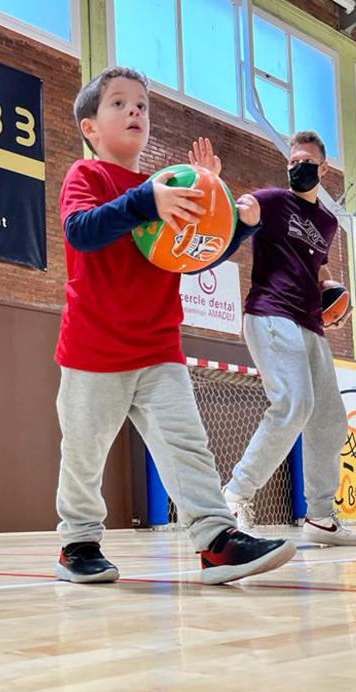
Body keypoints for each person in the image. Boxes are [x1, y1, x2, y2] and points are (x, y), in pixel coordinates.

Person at [54, 66, 295, 585]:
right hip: (93, 347)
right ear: (90, 128)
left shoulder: (162, 189)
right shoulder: (87, 176)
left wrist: (233, 225)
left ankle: (215, 540)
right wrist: (148, 200)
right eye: (119, 103)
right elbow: (81, 233)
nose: (135, 111)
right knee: (84, 452)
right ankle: (78, 541)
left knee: (188, 446)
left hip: (159, 345)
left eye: (141, 104)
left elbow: (194, 256)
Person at [222, 131, 356, 547]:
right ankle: (234, 496)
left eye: (305, 161)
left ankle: (321, 517)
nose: (297, 168)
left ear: (323, 168)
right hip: (270, 312)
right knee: (294, 404)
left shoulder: (328, 221)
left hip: (311, 323)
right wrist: (240, 209)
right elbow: (243, 210)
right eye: (292, 162)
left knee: (330, 419)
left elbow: (315, 268)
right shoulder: (271, 200)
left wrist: (332, 289)